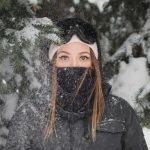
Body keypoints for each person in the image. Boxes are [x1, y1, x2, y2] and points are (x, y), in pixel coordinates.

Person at [4, 17, 148, 150]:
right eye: (64, 57)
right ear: (51, 63)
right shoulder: (29, 114)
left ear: (94, 63)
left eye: (83, 57)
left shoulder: (120, 112)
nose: (74, 66)